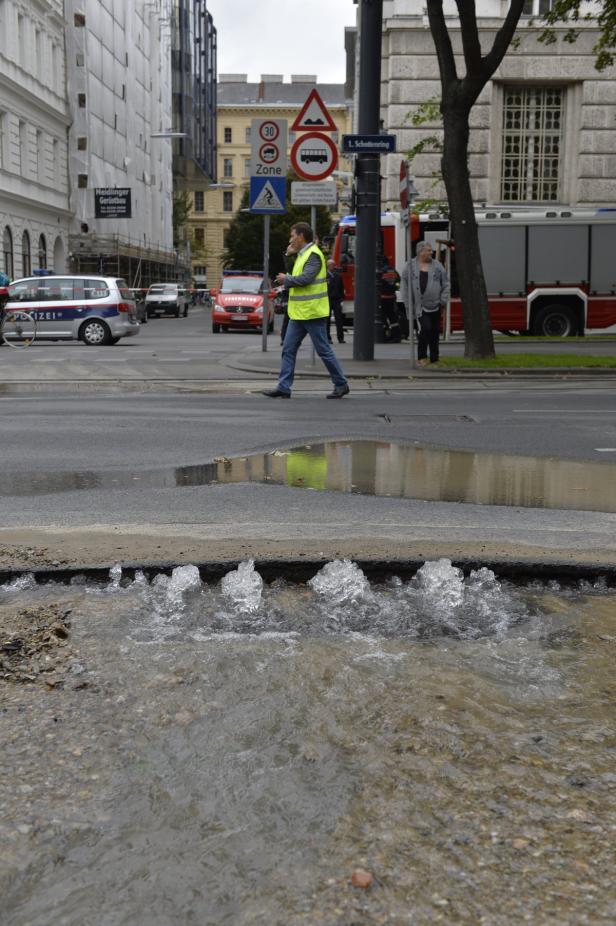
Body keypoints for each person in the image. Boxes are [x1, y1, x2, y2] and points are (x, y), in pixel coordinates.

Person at [263, 222, 349, 399]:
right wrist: (288, 255)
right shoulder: (303, 255)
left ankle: (341, 384)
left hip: (312, 312)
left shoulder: (314, 255)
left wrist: (287, 279)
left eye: (292, 235)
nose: (290, 239)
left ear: (301, 236)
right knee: (288, 349)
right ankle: (284, 387)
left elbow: (305, 278)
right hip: (299, 313)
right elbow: (294, 273)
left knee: (323, 350)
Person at [401, 240, 450, 365]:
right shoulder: (410, 266)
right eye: (428, 250)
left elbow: (445, 284)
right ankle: (421, 356)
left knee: (434, 331)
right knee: (426, 328)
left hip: (436, 305)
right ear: (421, 252)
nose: (431, 252)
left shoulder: (437, 265)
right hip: (419, 306)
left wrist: (443, 300)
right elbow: (405, 286)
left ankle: (434, 358)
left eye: (431, 250)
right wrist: (408, 304)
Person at [379, 258, 401, 342]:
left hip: (382, 298)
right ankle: (396, 336)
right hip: (392, 297)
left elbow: (377, 283)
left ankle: (384, 335)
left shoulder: (381, 271)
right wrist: (394, 288)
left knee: (383, 318)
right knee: (393, 318)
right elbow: (398, 282)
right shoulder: (394, 271)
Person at [326, 259, 345, 344]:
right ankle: (328, 338)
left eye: (334, 265)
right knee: (327, 320)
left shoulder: (338, 276)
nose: (333, 266)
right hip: (327, 300)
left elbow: (341, 287)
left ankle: (340, 338)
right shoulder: (324, 276)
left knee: (339, 320)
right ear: (328, 266)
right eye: (332, 265)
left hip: (336, 300)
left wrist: (341, 298)